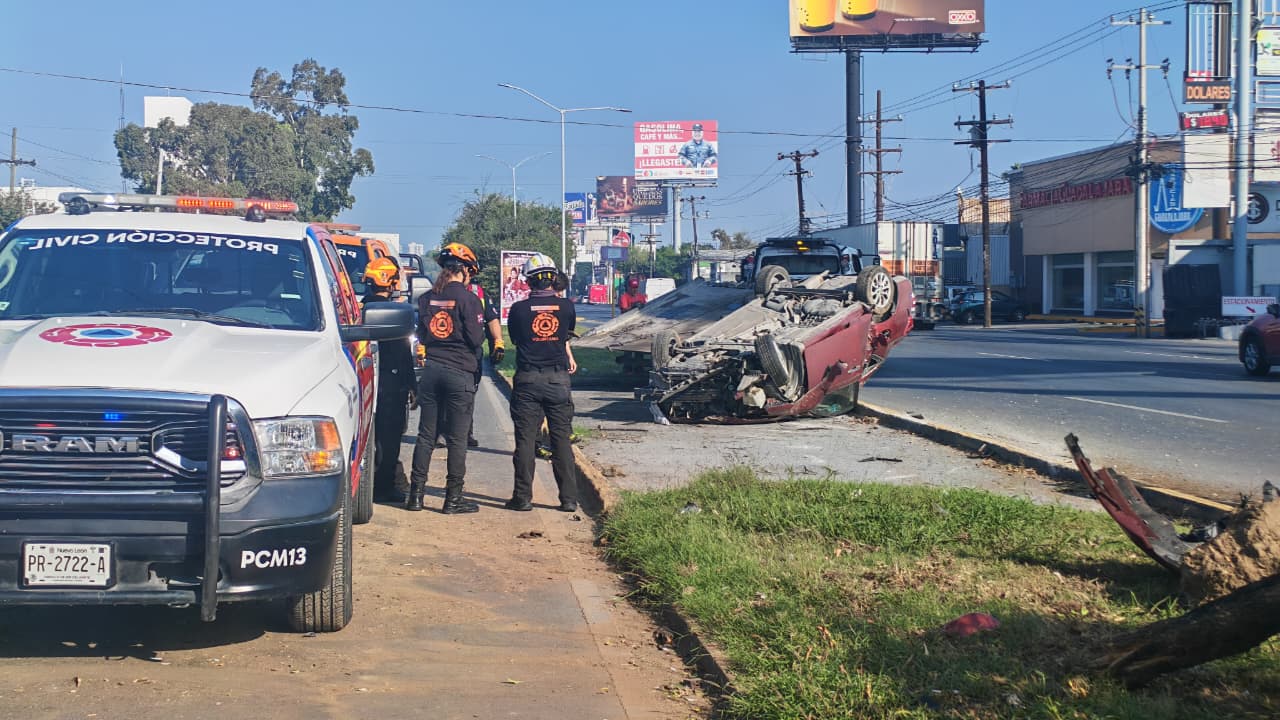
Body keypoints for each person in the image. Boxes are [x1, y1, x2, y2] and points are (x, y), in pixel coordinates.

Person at [406, 243, 485, 514]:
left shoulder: (427, 298)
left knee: (426, 435)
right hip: (459, 373)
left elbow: (423, 335)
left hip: (431, 371)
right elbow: (476, 339)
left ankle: (415, 497)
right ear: (464, 271)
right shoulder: (469, 300)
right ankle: (453, 500)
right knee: (457, 439)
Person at [505, 253, 579, 513]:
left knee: (526, 441)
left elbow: (516, 339)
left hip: (527, 380)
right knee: (561, 440)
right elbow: (565, 334)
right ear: (553, 279)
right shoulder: (567, 307)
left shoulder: (518, 310)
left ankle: (522, 498)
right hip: (558, 379)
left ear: (528, 281)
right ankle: (568, 499)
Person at [360, 257, 414, 504]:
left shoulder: (357, 309)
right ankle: (383, 487)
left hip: (361, 379)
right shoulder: (396, 313)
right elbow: (403, 353)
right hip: (390, 384)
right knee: (389, 438)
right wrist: (412, 384)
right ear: (392, 283)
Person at [437, 264, 503, 448]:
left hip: (470, 352)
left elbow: (492, 319)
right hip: (445, 350)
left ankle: (465, 432)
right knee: (443, 393)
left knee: (468, 393)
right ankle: (441, 432)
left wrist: (498, 342)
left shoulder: (478, 293)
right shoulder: (439, 291)